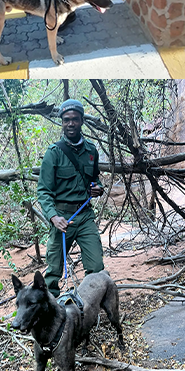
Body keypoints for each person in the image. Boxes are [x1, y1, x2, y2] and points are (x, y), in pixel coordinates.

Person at [37, 99, 105, 297]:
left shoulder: (91, 150)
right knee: (53, 272)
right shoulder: (54, 153)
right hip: (62, 218)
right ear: (62, 122)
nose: (71, 124)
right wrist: (53, 217)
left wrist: (97, 187)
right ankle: (50, 311)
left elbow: (94, 179)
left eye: (75, 119)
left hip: (84, 216)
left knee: (96, 267)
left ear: (82, 120)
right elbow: (43, 191)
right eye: (66, 120)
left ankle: (90, 306)